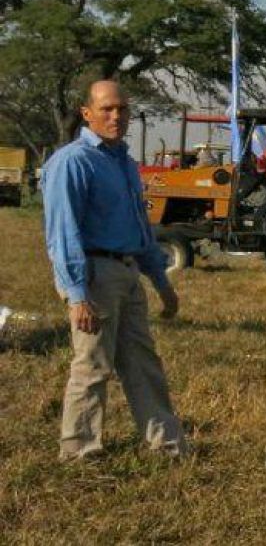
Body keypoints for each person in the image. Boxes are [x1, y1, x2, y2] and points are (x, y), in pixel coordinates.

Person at [42, 79, 187, 460]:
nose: (116, 116)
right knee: (92, 366)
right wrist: (77, 296)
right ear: (87, 114)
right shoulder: (73, 162)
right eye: (106, 109)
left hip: (127, 272)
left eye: (122, 108)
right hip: (94, 274)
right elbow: (63, 233)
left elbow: (140, 228)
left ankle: (167, 447)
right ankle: (79, 452)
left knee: (143, 363)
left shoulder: (123, 161)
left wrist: (161, 282)